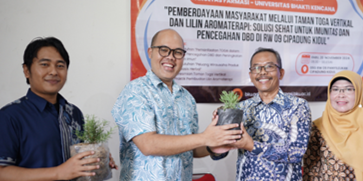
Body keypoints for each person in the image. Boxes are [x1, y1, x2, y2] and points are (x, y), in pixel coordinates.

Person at [112, 29, 242, 181]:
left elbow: (190, 148)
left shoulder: (187, 98)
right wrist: (205, 138)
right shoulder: (135, 91)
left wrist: (213, 145)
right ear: (150, 52)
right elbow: (148, 144)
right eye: (164, 50)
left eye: (177, 52)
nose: (171, 57)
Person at [0, 37, 117, 180]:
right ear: (26, 70)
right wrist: (59, 173)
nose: (54, 72)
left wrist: (96, 156)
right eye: (44, 64)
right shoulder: (9, 116)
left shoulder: (73, 113)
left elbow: (76, 161)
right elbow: (2, 172)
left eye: (60, 66)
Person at [216, 48, 311, 180]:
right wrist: (218, 132)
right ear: (250, 75)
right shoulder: (240, 108)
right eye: (256, 68)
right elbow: (219, 154)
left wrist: (252, 145)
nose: (262, 72)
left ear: (281, 73)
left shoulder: (298, 106)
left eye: (269, 66)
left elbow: (296, 153)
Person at [303, 70, 363, 180]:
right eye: (335, 89)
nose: (341, 95)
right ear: (329, 94)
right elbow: (311, 172)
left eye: (348, 89)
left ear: (359, 93)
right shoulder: (317, 127)